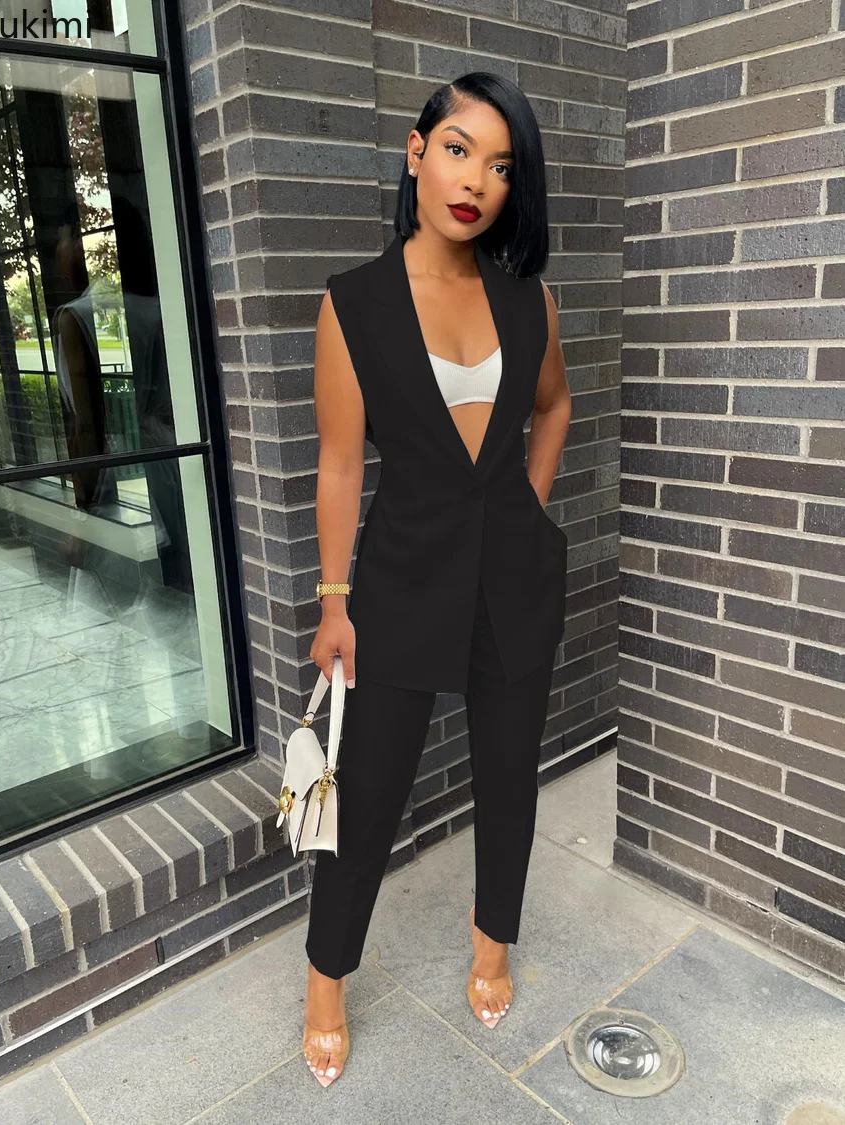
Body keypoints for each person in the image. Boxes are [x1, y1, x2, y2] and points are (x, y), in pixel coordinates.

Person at [302, 72, 571, 1086]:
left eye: (501, 166)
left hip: (514, 579)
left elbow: (554, 407)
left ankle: (492, 940)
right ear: (416, 152)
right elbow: (339, 463)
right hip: (401, 581)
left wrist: (527, 508)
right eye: (458, 150)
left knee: (509, 771)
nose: (476, 182)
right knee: (368, 788)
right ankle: (326, 978)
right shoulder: (354, 304)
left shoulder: (528, 299)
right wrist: (334, 603)